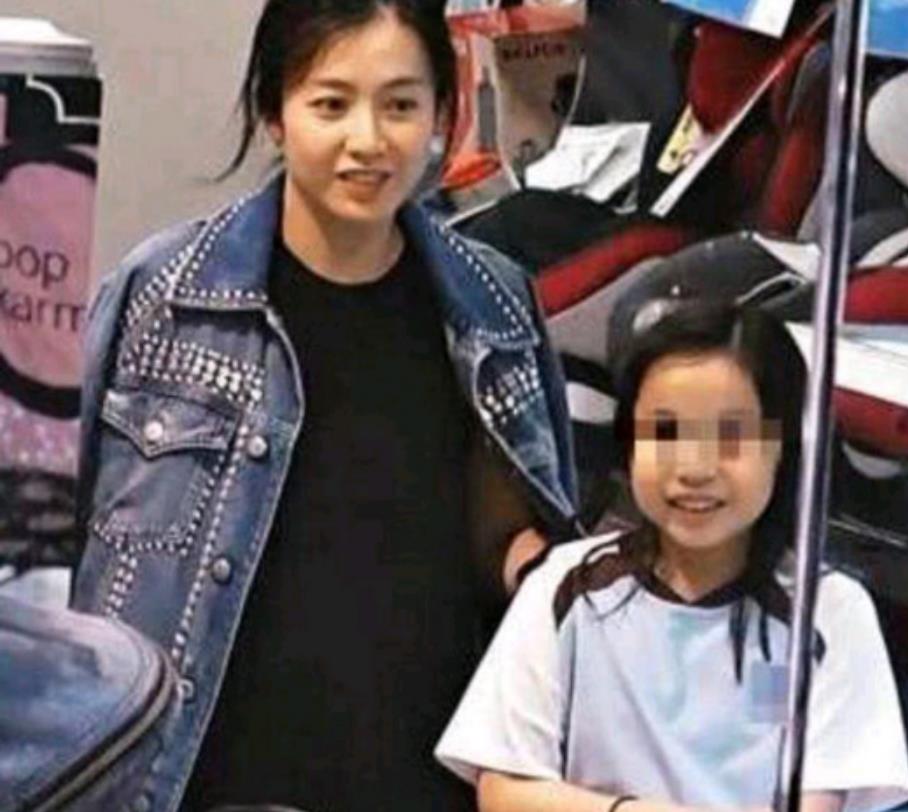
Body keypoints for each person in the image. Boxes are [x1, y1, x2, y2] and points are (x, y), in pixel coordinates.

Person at [70, 1, 579, 810]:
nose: (368, 140)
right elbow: (66, 544)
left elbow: (508, 530)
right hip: (199, 783)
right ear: (275, 111)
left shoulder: (494, 306)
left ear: (442, 115)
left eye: (401, 105)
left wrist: (548, 570)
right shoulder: (163, 297)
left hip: (419, 778)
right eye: (331, 103)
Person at [436, 301, 908, 812]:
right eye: (665, 432)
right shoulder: (566, 585)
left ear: (783, 446)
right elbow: (503, 792)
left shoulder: (828, 611)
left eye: (730, 435)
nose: (694, 468)